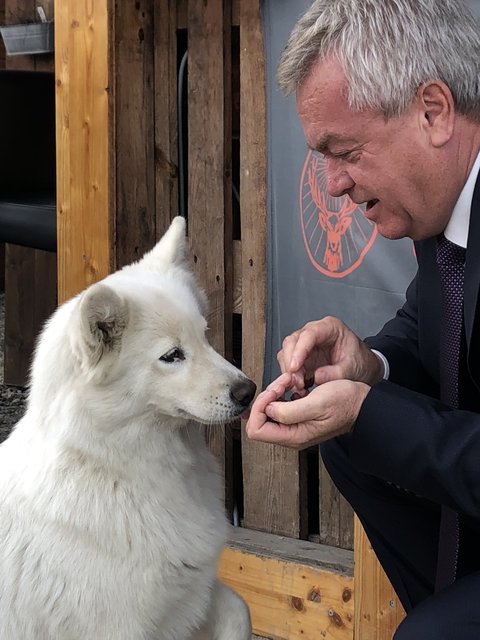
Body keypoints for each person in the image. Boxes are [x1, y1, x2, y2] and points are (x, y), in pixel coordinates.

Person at [245, 0, 480, 637]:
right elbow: (437, 323)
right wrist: (368, 364)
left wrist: (368, 408)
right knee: (355, 442)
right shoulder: (443, 200)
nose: (330, 186)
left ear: (434, 111)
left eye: (344, 151)